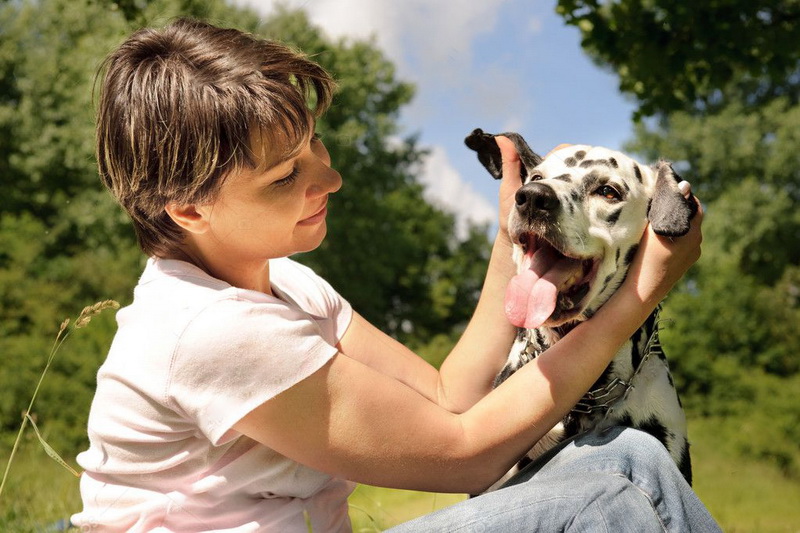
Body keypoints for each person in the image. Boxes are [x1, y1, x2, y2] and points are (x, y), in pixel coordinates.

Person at [72, 17, 719, 532]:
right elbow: (466, 451)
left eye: (314, 144)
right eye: (285, 176)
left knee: (636, 455)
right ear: (190, 209)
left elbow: (447, 397)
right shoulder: (210, 330)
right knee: (625, 492)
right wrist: (637, 296)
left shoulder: (287, 286)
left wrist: (513, 236)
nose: (330, 178)